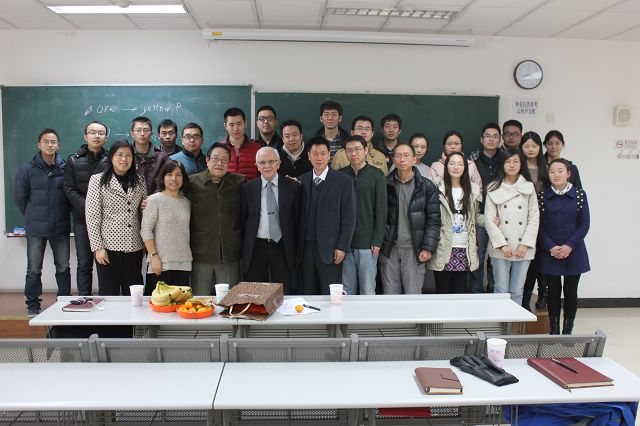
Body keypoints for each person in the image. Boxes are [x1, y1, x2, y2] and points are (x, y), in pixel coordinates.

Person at [14, 128, 71, 317]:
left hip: (61, 226)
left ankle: (64, 301)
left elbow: (70, 195)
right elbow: (20, 198)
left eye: (53, 142)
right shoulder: (27, 170)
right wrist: (33, 216)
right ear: (39, 144)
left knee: (63, 267)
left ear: (58, 145)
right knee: (34, 268)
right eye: (46, 141)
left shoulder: (65, 168)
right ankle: (33, 305)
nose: (50, 145)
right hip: (36, 229)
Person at [85, 140, 147, 296]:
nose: (124, 159)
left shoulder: (140, 180)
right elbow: (92, 216)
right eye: (119, 155)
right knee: (109, 293)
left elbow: (144, 212)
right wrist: (98, 248)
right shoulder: (97, 180)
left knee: (134, 293)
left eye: (128, 155)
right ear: (111, 157)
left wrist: (146, 206)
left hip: (134, 246)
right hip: (108, 247)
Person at [538, 158, 590, 335]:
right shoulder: (542, 197)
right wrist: (551, 247)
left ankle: (568, 330)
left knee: (570, 291)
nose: (556, 175)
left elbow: (584, 224)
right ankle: (554, 329)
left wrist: (569, 245)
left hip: (574, 251)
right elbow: (539, 227)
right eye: (552, 171)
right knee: (552, 291)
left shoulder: (580, 195)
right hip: (550, 252)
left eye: (560, 171)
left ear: (568, 174)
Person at [380, 144, 440, 294]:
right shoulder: (384, 184)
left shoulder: (427, 186)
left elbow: (434, 220)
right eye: (398, 155)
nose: (402, 159)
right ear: (393, 160)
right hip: (389, 248)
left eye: (406, 155)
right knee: (390, 294)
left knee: (413, 295)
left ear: (414, 159)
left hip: (415, 249)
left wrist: (428, 247)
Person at [299, 137, 356, 295]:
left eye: (323, 153)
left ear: (329, 155)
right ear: (309, 156)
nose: (319, 157)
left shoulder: (344, 181)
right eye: (315, 154)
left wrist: (342, 246)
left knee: (330, 294)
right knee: (308, 292)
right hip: (306, 248)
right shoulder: (301, 181)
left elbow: (349, 217)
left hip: (331, 248)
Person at [187, 143, 245, 295]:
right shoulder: (192, 183)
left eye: (224, 160)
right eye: (215, 158)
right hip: (201, 253)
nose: (220, 163)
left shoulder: (239, 182)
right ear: (207, 160)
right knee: (199, 300)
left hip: (229, 253)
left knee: (229, 300)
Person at [241, 147, 300, 294]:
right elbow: (243, 219)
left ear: (278, 163)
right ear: (257, 166)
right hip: (257, 246)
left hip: (282, 246)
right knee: (256, 292)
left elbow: (297, 218)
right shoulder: (248, 188)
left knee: (283, 291)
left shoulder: (292, 187)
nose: (267, 166)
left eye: (271, 161)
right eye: (262, 162)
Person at [484, 148, 539, 305]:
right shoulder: (493, 188)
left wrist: (525, 244)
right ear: (501, 164)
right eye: (508, 162)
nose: (512, 165)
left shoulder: (528, 187)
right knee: (500, 289)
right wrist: (503, 245)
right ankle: (499, 321)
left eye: (516, 161)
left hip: (523, 248)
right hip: (501, 247)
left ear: (521, 164)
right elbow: (489, 220)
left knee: (517, 290)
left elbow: (534, 217)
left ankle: (514, 322)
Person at [64, 121, 109, 297]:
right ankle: (84, 298)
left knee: (104, 261)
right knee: (84, 262)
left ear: (106, 137)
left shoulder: (111, 159)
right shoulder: (73, 160)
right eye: (93, 132)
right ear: (85, 136)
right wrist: (89, 208)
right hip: (82, 221)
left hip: (106, 222)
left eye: (101, 133)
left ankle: (106, 297)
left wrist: (99, 209)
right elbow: (69, 188)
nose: (97, 136)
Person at [427, 152, 482, 294]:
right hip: (443, 246)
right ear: (446, 166)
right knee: (442, 291)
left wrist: (490, 221)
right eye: (452, 163)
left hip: (465, 247)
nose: (456, 167)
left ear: (465, 168)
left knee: (460, 291)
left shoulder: (473, 190)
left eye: (460, 164)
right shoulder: (436, 187)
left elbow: (475, 217)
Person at [339, 135, 387, 295]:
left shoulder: (377, 175)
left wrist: (377, 240)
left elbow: (381, 210)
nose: (353, 154)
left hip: (368, 243)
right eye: (349, 150)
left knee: (367, 288)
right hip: (345, 243)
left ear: (366, 150)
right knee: (347, 289)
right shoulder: (340, 175)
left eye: (357, 149)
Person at [141, 160, 192, 295]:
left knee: (180, 303)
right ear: (162, 177)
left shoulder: (187, 202)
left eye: (178, 175)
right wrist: (153, 256)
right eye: (169, 174)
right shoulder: (153, 200)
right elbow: (146, 230)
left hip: (183, 262)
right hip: (160, 263)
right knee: (159, 303)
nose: (174, 178)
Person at [467, 123, 504, 294]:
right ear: (481, 139)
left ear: (500, 139)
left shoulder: (506, 160)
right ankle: (476, 293)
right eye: (488, 136)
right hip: (479, 215)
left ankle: (494, 292)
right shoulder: (472, 161)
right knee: (478, 256)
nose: (491, 139)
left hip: (501, 217)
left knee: (496, 258)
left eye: (495, 136)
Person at [520, 131, 549, 310]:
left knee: (539, 260)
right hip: (523, 220)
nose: (530, 149)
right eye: (527, 146)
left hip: (544, 221)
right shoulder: (518, 167)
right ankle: (523, 299)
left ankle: (539, 294)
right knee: (526, 260)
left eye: (534, 146)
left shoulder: (547, 168)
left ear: (540, 147)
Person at [219, 107, 261, 180]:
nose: (235, 128)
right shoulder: (218, 148)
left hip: (251, 187)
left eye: (239, 124)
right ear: (225, 126)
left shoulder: (257, 148)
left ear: (245, 124)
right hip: (226, 187)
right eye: (231, 125)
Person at [130, 116, 168, 195]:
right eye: (138, 130)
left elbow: (164, 182)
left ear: (151, 133)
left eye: (146, 130)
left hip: (155, 200)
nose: (142, 134)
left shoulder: (162, 157)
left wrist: (151, 199)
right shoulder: (126, 155)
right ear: (132, 134)